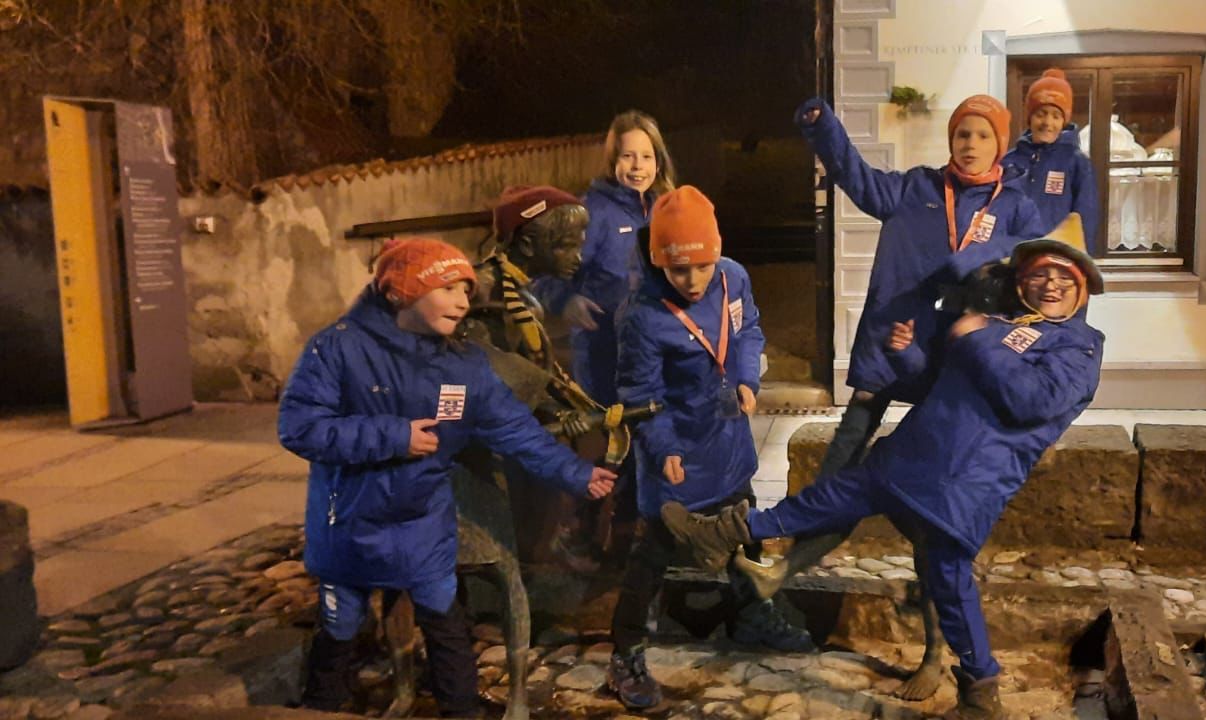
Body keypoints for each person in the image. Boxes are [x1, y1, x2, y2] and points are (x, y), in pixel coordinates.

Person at [662, 215, 1105, 720]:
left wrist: (974, 338)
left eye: (1064, 278)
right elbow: (941, 383)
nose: (1050, 285)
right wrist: (908, 356)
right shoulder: (1002, 323)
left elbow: (1031, 400)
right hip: (911, 456)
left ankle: (981, 691)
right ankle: (723, 532)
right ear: (1022, 279)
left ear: (1083, 289)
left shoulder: (1079, 346)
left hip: (962, 483)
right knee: (827, 497)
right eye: (1040, 274)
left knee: (949, 582)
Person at [278, 237, 618, 717]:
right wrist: (395, 436)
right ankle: (320, 707)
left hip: (423, 524)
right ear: (400, 292)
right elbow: (301, 427)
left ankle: (460, 711)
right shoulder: (337, 348)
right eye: (448, 288)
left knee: (446, 623)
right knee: (340, 628)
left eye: (466, 290)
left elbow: (514, 428)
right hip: (350, 526)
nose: (463, 301)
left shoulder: (463, 364)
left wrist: (576, 473)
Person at [772, 94, 1047, 590]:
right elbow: (857, 178)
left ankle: (935, 585)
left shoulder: (1016, 207)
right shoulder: (916, 188)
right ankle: (786, 566)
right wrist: (823, 128)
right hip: (890, 346)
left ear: (1000, 145)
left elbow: (1036, 253)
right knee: (840, 468)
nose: (970, 144)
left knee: (935, 476)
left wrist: (976, 257)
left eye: (983, 135)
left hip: (955, 363)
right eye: (962, 134)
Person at [604, 186, 813, 711]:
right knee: (653, 553)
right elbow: (640, 396)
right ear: (660, 262)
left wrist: (746, 378)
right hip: (675, 448)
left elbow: (749, 331)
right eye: (680, 271)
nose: (694, 280)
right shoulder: (641, 315)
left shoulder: (733, 277)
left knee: (743, 527)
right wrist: (664, 448)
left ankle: (752, 613)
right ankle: (626, 653)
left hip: (727, 436)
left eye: (702, 266)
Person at [538, 110, 677, 407]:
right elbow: (543, 272)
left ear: (658, 162)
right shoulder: (591, 213)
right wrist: (565, 301)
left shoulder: (664, 209)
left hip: (655, 350)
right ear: (613, 160)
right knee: (612, 433)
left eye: (646, 156)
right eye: (628, 156)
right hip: (603, 353)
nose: (637, 166)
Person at [1002, 69, 1100, 252]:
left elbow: (1086, 220)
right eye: (1041, 114)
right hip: (1013, 257)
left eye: (1056, 116)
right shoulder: (1008, 162)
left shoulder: (1077, 163)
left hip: (1056, 258)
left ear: (1064, 121)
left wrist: (1080, 260)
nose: (1047, 122)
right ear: (1029, 117)